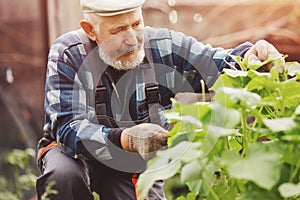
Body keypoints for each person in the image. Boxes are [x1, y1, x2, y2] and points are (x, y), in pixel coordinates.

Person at [35, 0, 284, 199]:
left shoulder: (162, 45)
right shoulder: (69, 53)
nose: (132, 38)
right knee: (64, 177)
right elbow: (67, 129)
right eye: (119, 30)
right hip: (72, 155)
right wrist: (125, 138)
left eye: (136, 23)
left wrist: (252, 57)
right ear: (91, 30)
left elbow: (215, 62)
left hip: (132, 162)